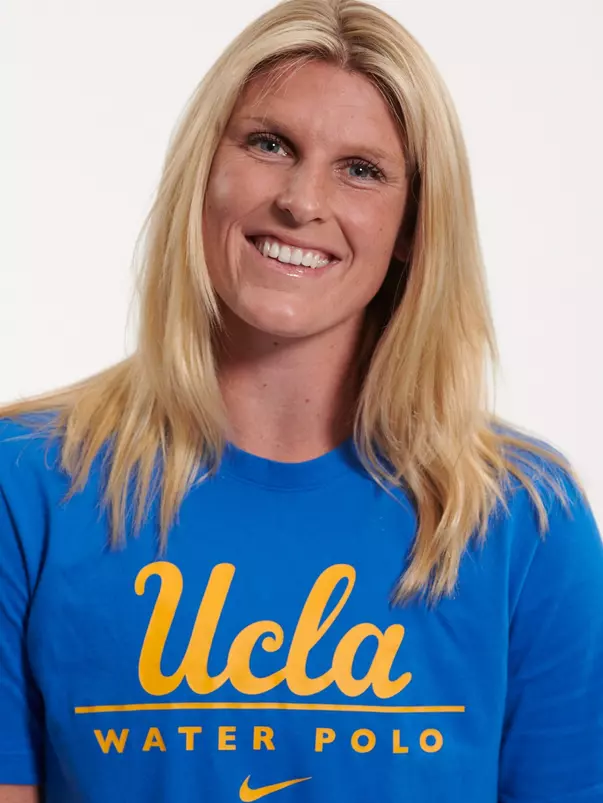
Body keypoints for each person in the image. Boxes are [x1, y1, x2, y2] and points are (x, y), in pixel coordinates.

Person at [1, 0, 602, 800]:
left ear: (412, 227)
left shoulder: (520, 516)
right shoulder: (28, 483)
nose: (301, 200)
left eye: (361, 169)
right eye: (268, 143)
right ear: (202, 171)